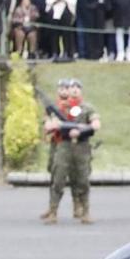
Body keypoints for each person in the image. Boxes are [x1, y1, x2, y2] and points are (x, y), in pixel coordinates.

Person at [41, 76, 98, 225]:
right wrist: (56, 125)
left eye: (77, 87)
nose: (74, 90)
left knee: (83, 179)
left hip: (82, 146)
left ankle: (85, 211)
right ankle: (53, 211)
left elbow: (96, 124)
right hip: (64, 146)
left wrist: (81, 131)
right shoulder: (59, 108)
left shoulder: (87, 108)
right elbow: (48, 125)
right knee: (58, 178)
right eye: (71, 87)